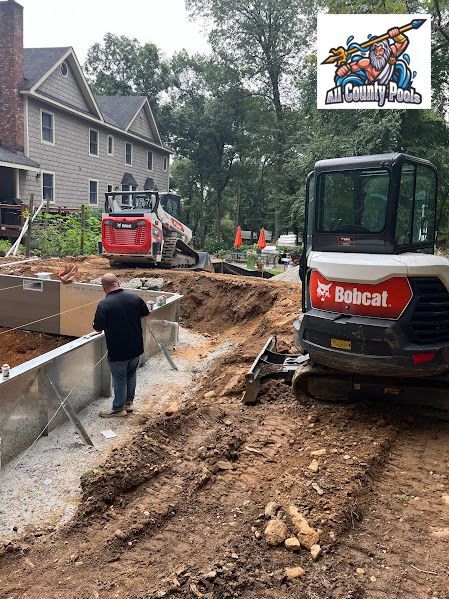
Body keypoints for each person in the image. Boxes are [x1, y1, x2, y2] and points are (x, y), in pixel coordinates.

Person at [93, 273, 149, 417]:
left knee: (119, 379)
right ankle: (128, 403)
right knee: (131, 374)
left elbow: (98, 328)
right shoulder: (134, 297)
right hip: (136, 347)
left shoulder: (104, 304)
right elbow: (144, 313)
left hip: (118, 350)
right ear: (118, 283)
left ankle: (118, 409)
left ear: (104, 288)